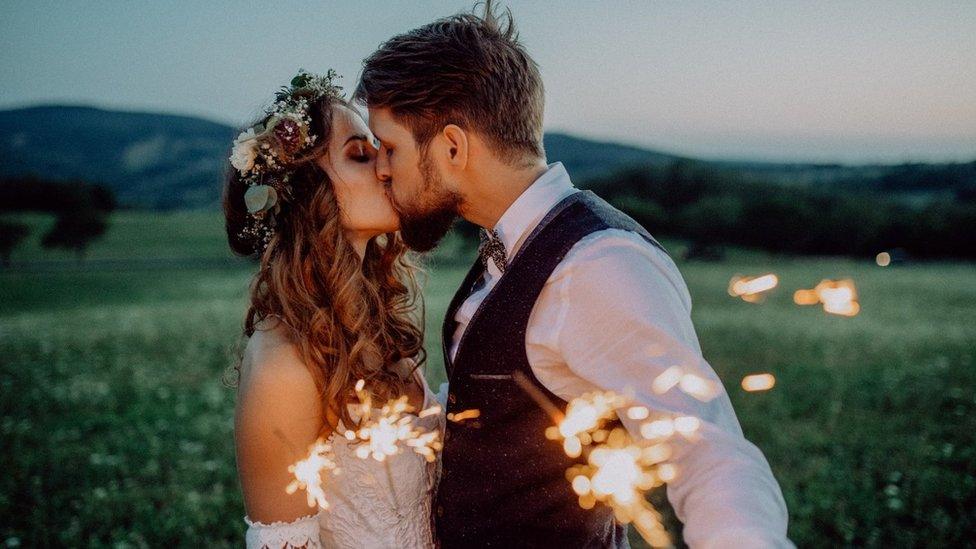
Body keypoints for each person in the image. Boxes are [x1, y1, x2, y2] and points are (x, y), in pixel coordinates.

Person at [354, 2, 794, 547]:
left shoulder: (599, 265)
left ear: (452, 146)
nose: (381, 167)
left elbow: (706, 451)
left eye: (390, 146)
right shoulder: (513, 241)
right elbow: (512, 406)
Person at [224, 70, 443, 548]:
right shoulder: (284, 366)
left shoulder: (378, 325)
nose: (386, 168)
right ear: (305, 193)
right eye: (361, 155)